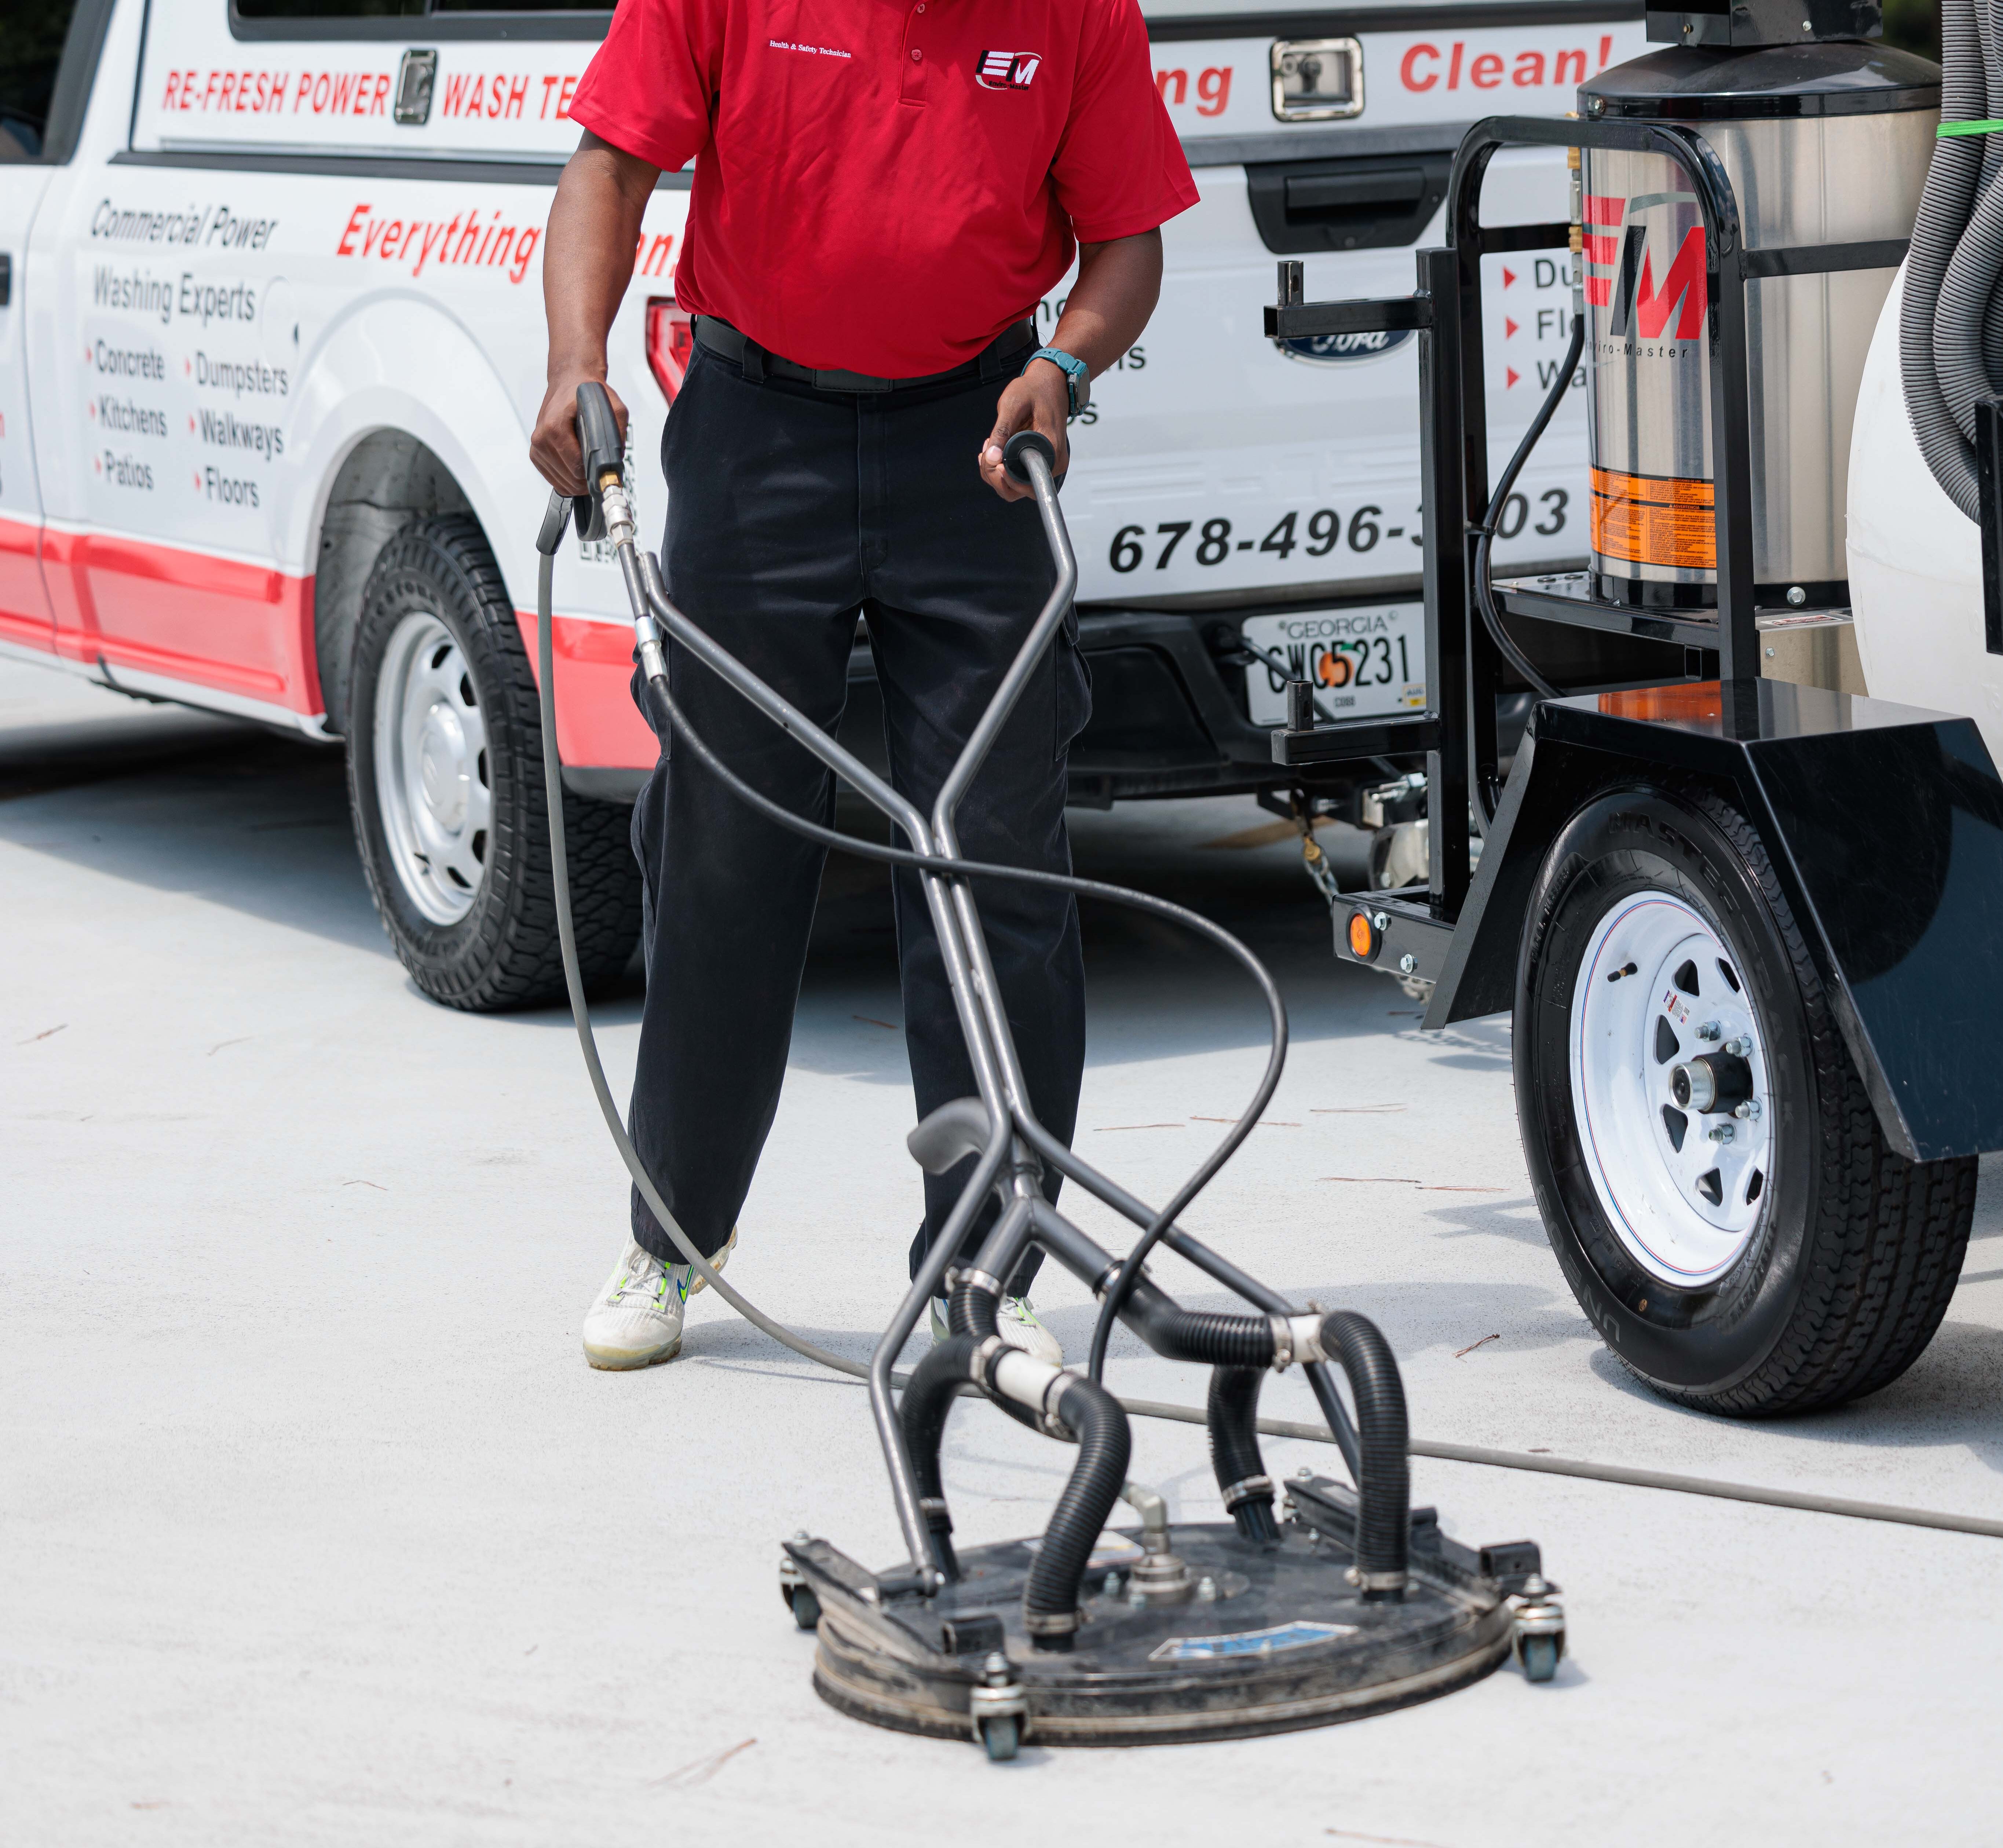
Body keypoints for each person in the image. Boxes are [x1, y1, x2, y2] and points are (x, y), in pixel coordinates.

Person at [530, 0, 1196, 1372]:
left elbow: (1127, 240)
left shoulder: (1078, 13)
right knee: (724, 841)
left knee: (996, 854)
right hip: (756, 432)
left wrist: (1064, 363)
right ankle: (672, 1238)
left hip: (977, 437)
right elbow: (609, 165)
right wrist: (575, 367)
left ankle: (988, 1268)